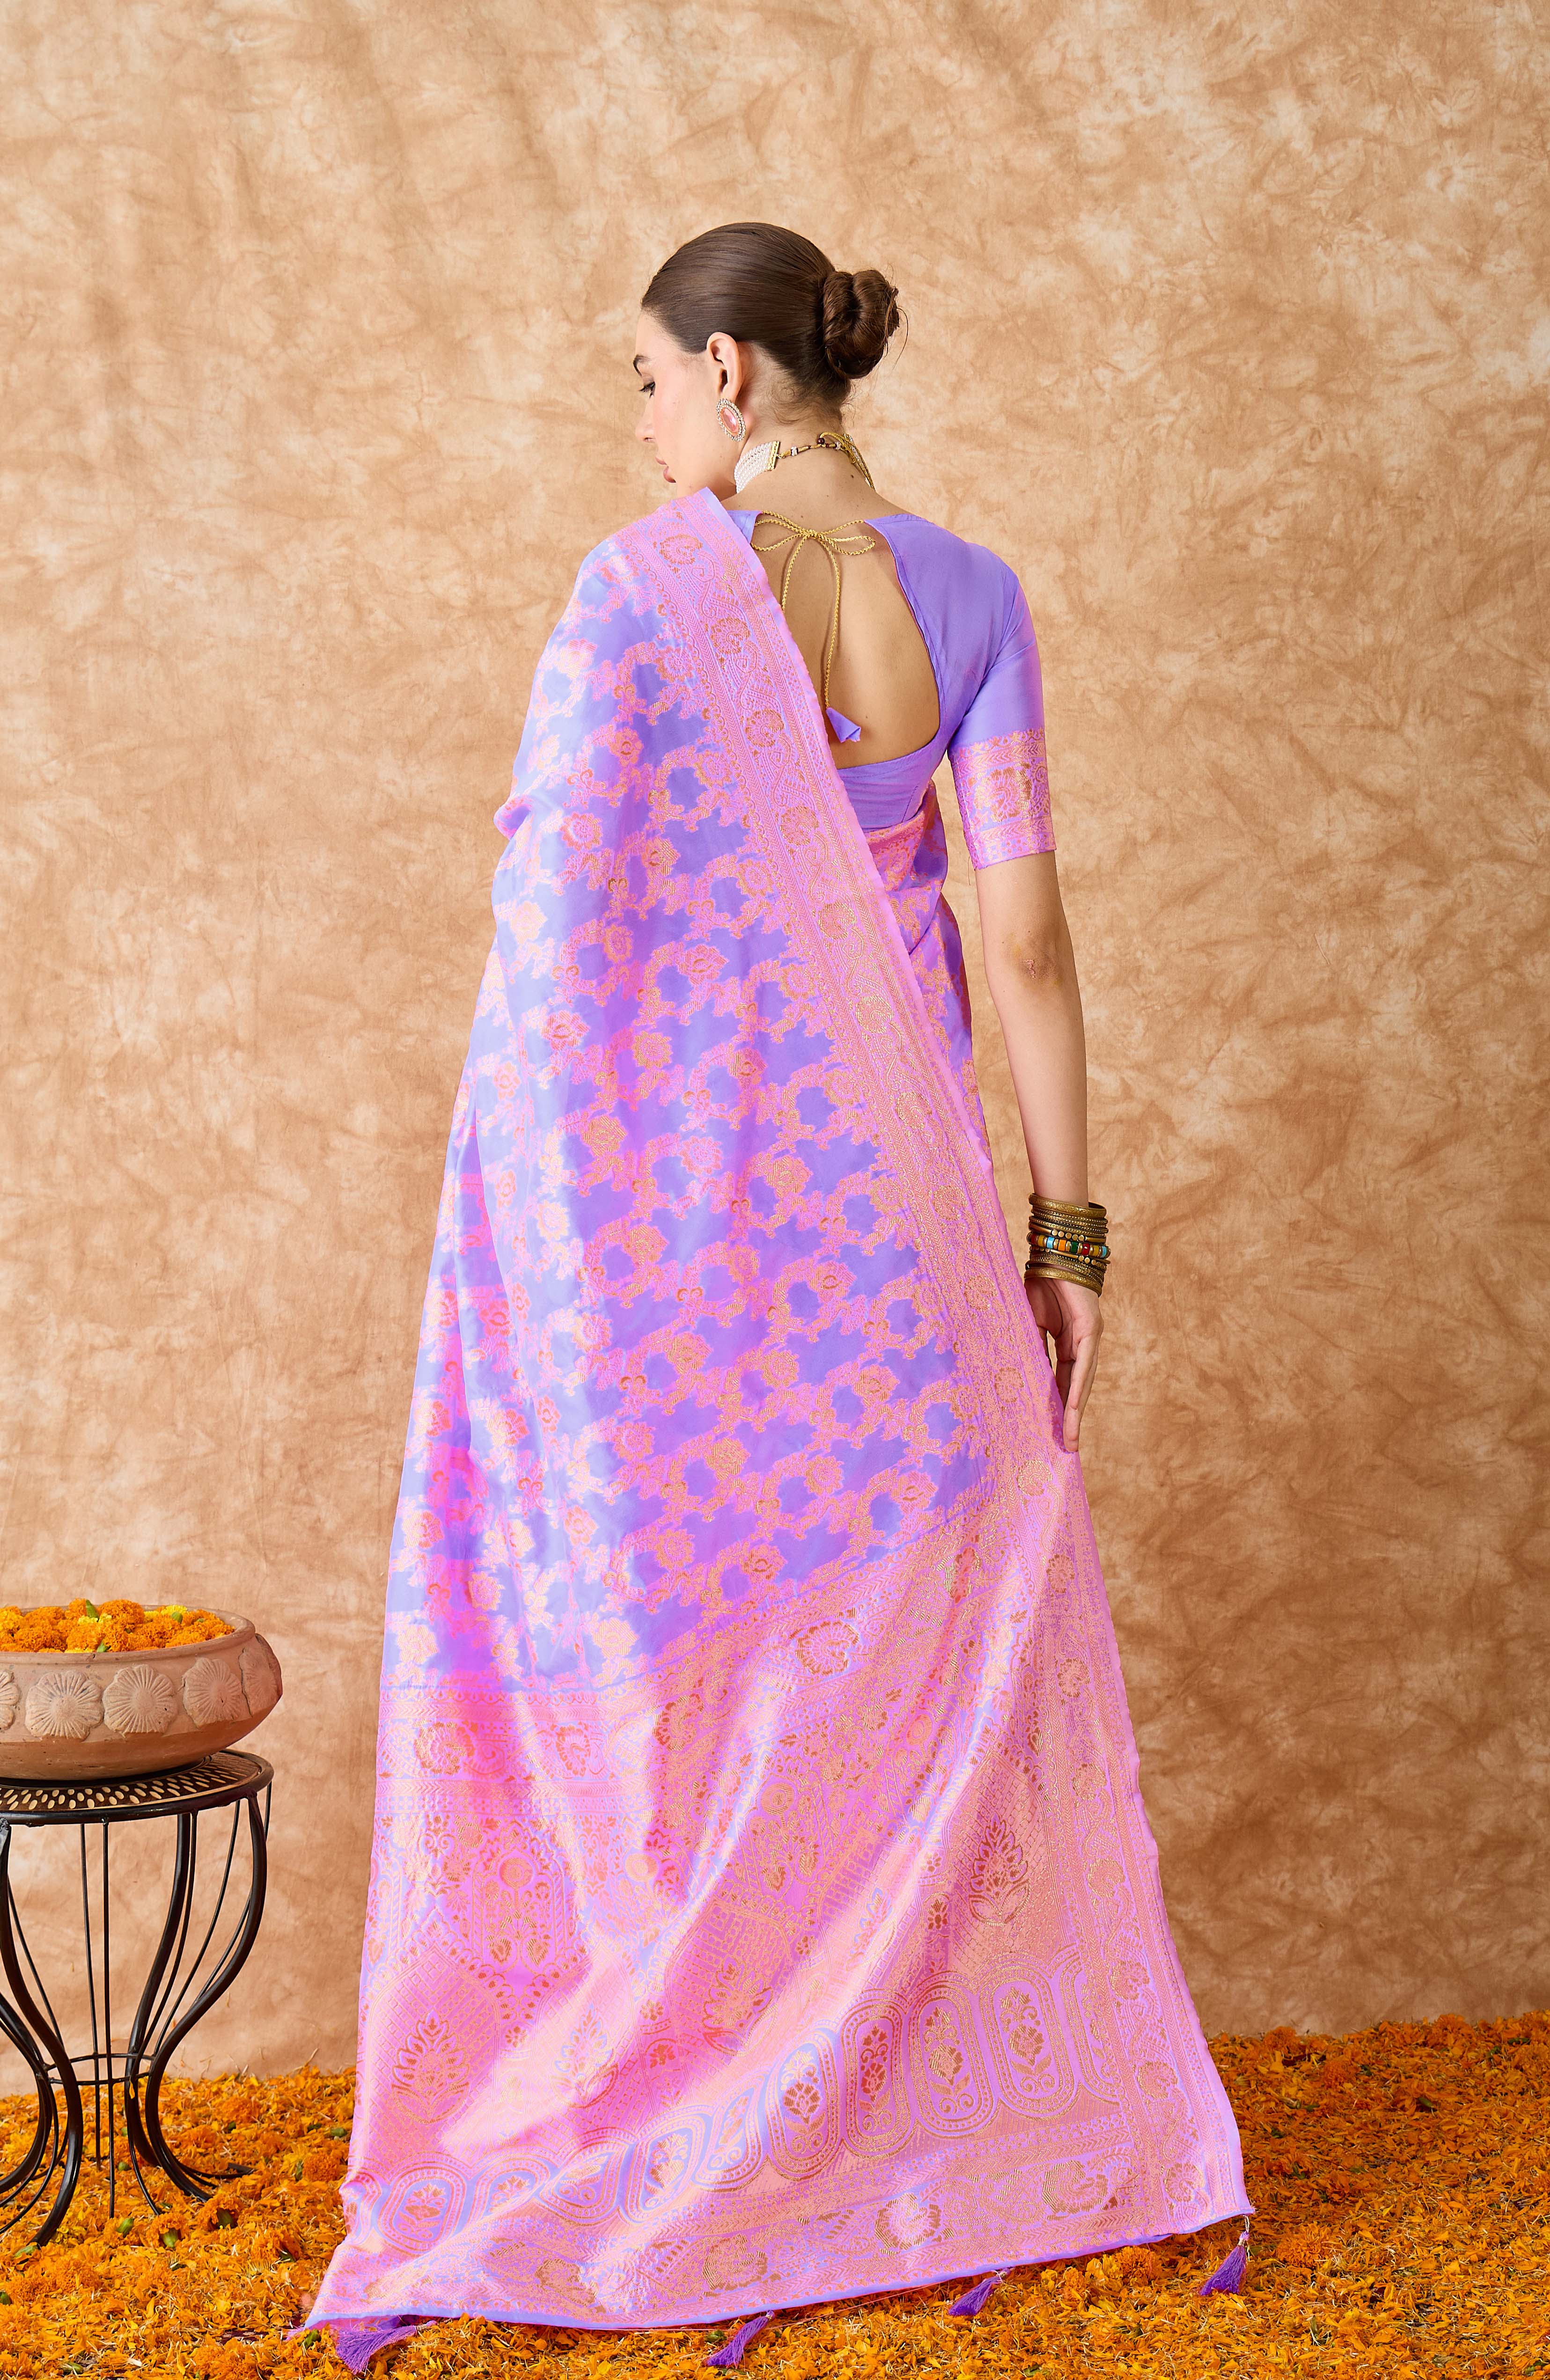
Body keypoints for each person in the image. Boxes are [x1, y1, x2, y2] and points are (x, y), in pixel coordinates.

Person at [305, 222, 1249, 2373]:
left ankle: (700, 2096)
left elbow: (558, 951)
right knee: (900, 1665)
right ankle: (894, 2120)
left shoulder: (642, 599)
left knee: (705, 1669)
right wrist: (1067, 1237)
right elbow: (1028, 946)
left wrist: (537, 1258)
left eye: (649, 380)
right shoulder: (976, 597)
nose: (646, 427)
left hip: (681, 1243)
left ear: (733, 374)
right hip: (909, 1223)